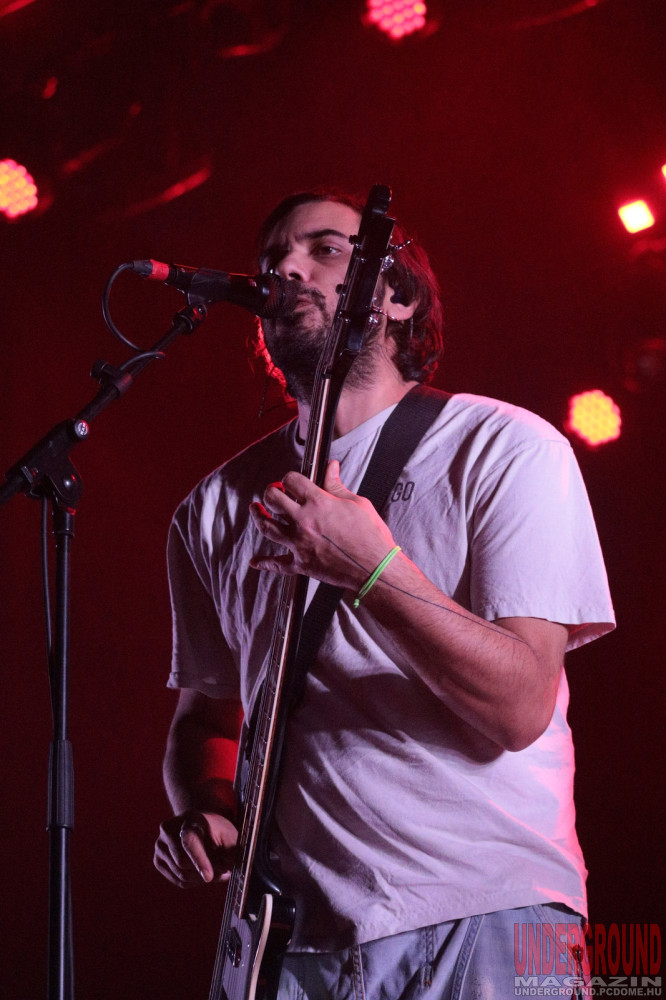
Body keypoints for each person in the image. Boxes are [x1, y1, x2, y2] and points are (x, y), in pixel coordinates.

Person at [154, 189, 615, 998]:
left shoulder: (505, 448)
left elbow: (520, 705)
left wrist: (373, 571)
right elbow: (206, 718)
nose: (287, 268)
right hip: (287, 943)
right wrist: (208, 803)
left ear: (397, 296)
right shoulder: (213, 507)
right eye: (272, 260)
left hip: (488, 916)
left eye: (324, 250)